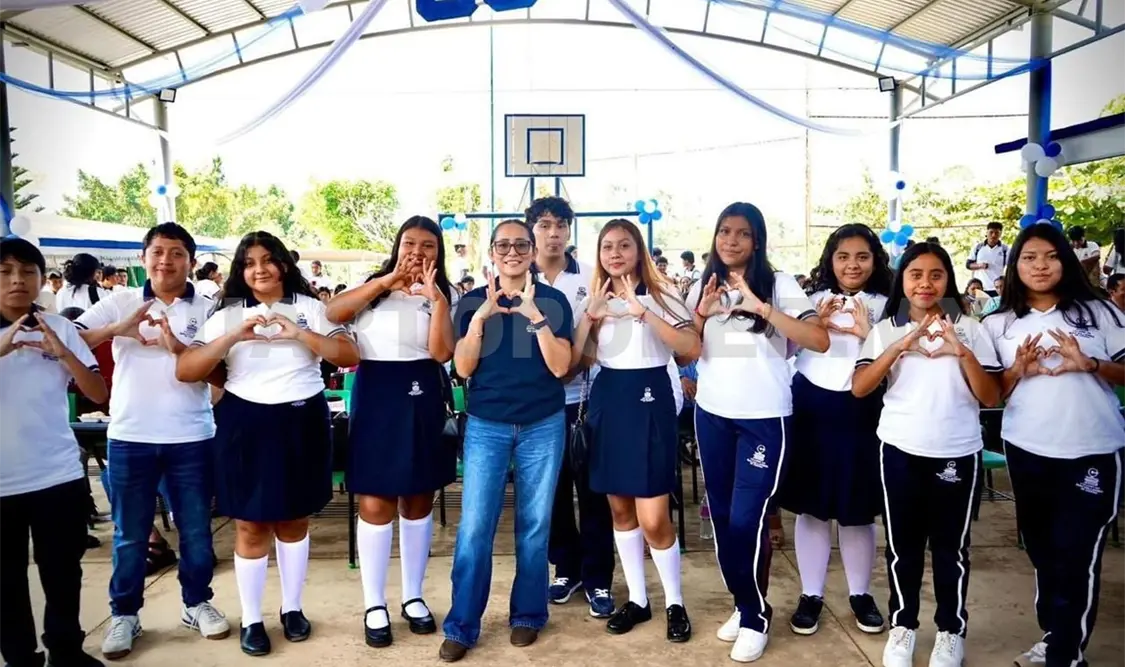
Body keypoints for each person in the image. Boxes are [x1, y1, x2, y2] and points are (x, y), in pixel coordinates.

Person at [176, 231, 360, 657]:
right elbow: (187, 369)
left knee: (295, 520)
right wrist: (232, 338)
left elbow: (348, 355)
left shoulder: (311, 307)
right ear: (242, 270)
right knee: (250, 524)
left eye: (268, 259)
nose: (260, 269)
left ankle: (292, 609)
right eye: (250, 262)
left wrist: (299, 334)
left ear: (283, 264)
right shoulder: (226, 314)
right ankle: (252, 617)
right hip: (246, 420)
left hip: (301, 416)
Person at [74, 223, 230, 659]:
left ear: (191, 261)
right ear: (143, 258)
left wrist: (178, 348)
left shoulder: (211, 306)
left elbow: (222, 368)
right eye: (158, 252)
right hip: (130, 436)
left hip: (192, 435)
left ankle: (197, 603)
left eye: (177, 253)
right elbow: (70, 340)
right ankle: (125, 614)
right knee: (129, 534)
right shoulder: (119, 301)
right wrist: (119, 328)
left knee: (196, 531)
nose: (166, 261)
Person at [686, 202, 830, 663]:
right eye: (724, 231)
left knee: (749, 520)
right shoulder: (700, 286)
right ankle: (747, 603)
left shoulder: (780, 283)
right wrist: (700, 316)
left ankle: (754, 617)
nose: (730, 241)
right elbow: (686, 351)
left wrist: (761, 306)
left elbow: (818, 340)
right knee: (725, 520)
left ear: (757, 240)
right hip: (712, 416)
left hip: (764, 419)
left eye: (742, 233)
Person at [852, 241, 1002, 667]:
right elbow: (860, 388)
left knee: (951, 549)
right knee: (903, 547)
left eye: (936, 275)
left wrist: (962, 351)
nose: (925, 283)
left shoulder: (970, 327)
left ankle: (951, 630)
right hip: (900, 448)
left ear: (947, 280)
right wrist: (900, 346)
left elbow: (991, 396)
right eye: (915, 274)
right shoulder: (886, 329)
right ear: (903, 280)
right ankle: (904, 626)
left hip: (957, 450)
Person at [981, 223, 1125, 667]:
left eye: (1050, 256)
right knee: (1044, 550)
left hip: (1092, 451)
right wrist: (1017, 371)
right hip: (1027, 450)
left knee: (1077, 552)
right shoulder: (998, 323)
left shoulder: (1099, 312)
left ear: (1065, 260)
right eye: (1029, 258)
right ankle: (1055, 634)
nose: (1040, 266)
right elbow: (991, 393)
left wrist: (1091, 364)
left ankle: (1065, 653)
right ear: (1014, 265)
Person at [440, 220, 573, 663]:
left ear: (533, 251)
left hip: (542, 423)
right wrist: (481, 318)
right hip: (486, 424)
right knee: (475, 527)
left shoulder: (553, 302)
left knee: (535, 526)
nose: (512, 252)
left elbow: (560, 368)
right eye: (504, 245)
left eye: (521, 245)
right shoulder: (471, 303)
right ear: (492, 252)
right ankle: (462, 624)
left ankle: (528, 616)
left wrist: (534, 317)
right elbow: (462, 368)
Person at [324, 216, 456, 649]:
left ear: (439, 253)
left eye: (429, 246)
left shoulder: (443, 295)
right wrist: (387, 281)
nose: (418, 252)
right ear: (397, 245)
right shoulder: (372, 287)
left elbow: (441, 352)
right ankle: (374, 602)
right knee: (376, 502)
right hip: (377, 395)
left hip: (421, 395)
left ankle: (414, 596)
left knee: (418, 499)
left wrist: (435, 299)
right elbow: (334, 312)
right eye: (410, 243)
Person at [570, 219, 700, 641]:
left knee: (654, 517)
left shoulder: (663, 295)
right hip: (609, 400)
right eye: (607, 246)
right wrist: (590, 318)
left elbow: (688, 350)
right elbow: (581, 360)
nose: (615, 253)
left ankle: (675, 602)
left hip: (650, 400)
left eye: (624, 245)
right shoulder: (595, 299)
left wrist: (644, 312)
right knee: (621, 510)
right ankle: (640, 601)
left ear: (638, 250)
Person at [780, 223, 893, 638]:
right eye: (843, 256)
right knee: (812, 505)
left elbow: (899, 364)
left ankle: (860, 594)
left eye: (862, 256)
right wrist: (815, 326)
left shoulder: (889, 305)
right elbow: (785, 350)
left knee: (856, 508)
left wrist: (869, 334)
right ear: (830, 259)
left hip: (862, 409)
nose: (852, 265)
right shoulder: (811, 300)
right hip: (810, 404)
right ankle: (811, 594)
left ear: (875, 260)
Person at [0, 237, 109, 667]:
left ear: (43, 280)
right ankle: (19, 657)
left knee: (63, 571)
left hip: (57, 474)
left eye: (28, 271)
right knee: (5, 579)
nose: (16, 281)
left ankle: (66, 650)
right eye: (5, 271)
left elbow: (98, 393)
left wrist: (63, 352)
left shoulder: (60, 327)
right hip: (2, 483)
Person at [523, 197, 615, 618]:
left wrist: (578, 356)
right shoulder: (516, 279)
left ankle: (598, 578)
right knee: (551, 494)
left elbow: (595, 341)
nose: (554, 233)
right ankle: (566, 568)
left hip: (583, 403)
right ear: (531, 231)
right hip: (537, 405)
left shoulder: (589, 280)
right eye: (544, 225)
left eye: (561, 225)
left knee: (594, 493)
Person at [966, 222, 1009, 296]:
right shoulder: (978, 247)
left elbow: (1011, 267)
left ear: (1000, 234)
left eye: (996, 233)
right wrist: (980, 265)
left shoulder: (1005, 249)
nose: (993, 235)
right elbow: (968, 265)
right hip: (980, 288)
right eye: (991, 232)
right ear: (987, 232)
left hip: (997, 288)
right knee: (980, 307)